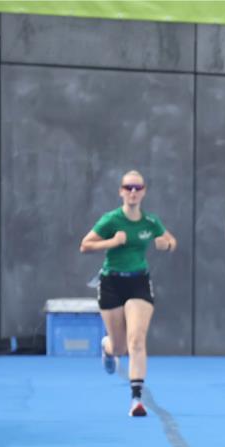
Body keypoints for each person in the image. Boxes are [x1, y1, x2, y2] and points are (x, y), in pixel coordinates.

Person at [79, 170, 177, 417]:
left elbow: (170, 240)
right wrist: (111, 242)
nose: (133, 192)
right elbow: (85, 245)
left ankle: (136, 399)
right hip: (111, 282)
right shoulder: (111, 220)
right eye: (128, 187)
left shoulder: (150, 222)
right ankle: (107, 347)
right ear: (121, 191)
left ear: (143, 191)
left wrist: (167, 244)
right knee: (120, 346)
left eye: (138, 187)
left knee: (136, 339)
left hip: (138, 283)